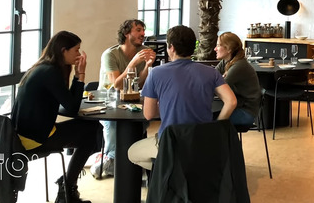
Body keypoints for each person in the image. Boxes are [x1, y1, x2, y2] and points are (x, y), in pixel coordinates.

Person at [128, 25, 237, 170]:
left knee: (132, 153)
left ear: (171, 47)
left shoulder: (155, 73)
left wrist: (168, 106)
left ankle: (165, 177)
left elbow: (149, 115)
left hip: (170, 143)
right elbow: (231, 101)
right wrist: (216, 126)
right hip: (201, 142)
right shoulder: (211, 73)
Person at [11, 31, 102, 203]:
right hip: (34, 139)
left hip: (23, 135)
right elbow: (73, 106)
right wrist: (80, 75)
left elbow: (68, 102)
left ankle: (67, 184)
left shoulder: (42, 68)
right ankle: (67, 187)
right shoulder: (50, 73)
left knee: (90, 131)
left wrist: (76, 78)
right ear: (63, 51)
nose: (79, 55)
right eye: (76, 50)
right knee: (92, 131)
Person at [91, 19, 156, 178]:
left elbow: (138, 84)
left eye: (143, 30)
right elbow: (117, 84)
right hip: (109, 104)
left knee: (144, 120)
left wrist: (147, 66)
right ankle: (112, 162)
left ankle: (129, 163)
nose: (143, 34)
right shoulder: (110, 54)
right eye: (138, 30)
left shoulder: (144, 51)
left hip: (132, 102)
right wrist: (133, 63)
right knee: (114, 126)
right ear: (127, 34)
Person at [215, 32, 262, 126]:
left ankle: (223, 139)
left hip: (245, 112)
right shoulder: (226, 61)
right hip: (238, 106)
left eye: (218, 45)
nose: (215, 49)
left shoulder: (239, 65)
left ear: (229, 49)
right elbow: (212, 77)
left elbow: (218, 87)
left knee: (205, 118)